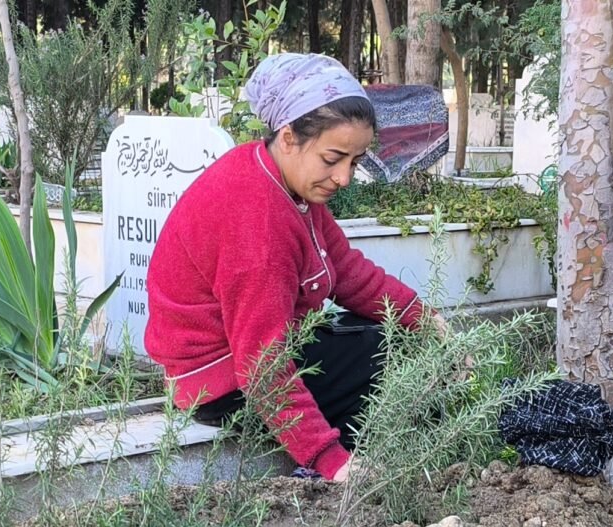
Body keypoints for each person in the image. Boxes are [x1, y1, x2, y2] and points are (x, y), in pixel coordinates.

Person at [144, 53, 430, 483]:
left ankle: (388, 463)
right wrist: (329, 460)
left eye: (354, 162)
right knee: (391, 359)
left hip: (250, 353)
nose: (345, 178)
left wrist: (424, 319)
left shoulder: (282, 179)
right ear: (290, 136)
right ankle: (361, 474)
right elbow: (262, 364)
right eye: (333, 158)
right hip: (222, 385)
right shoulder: (257, 218)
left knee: (391, 337)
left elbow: (347, 271)